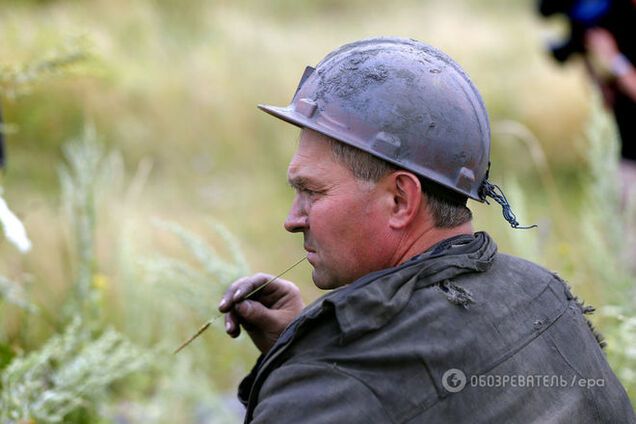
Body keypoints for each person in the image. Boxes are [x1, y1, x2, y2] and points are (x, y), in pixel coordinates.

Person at [218, 37, 635, 423]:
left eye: (312, 191)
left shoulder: (328, 390)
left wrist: (309, 372)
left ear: (401, 200)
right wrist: (300, 347)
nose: (292, 219)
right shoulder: (542, 293)